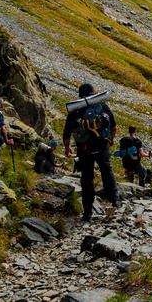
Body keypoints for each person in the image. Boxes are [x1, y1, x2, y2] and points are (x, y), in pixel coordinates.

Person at [63, 83, 120, 221]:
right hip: (102, 145)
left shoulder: (75, 110)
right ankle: (116, 202)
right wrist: (111, 140)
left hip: (84, 147)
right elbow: (114, 127)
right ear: (93, 93)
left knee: (87, 178)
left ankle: (88, 212)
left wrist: (67, 148)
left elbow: (66, 133)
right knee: (107, 171)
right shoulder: (102, 106)